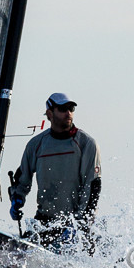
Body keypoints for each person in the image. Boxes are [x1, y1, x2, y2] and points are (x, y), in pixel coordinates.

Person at [8, 92, 101, 249]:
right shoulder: (36, 144)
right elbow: (22, 178)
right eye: (63, 109)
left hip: (75, 225)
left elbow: (92, 186)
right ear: (50, 113)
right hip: (44, 221)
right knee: (19, 254)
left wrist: (80, 223)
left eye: (71, 108)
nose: (68, 113)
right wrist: (16, 200)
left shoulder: (86, 143)